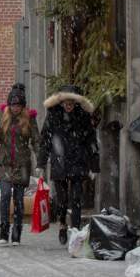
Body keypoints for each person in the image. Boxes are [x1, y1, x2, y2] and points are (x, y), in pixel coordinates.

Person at [37, 84, 98, 245]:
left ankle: (75, 231)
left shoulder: (83, 117)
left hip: (78, 160)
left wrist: (94, 165)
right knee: (62, 200)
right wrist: (41, 163)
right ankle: (63, 224)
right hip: (60, 162)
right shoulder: (53, 115)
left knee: (77, 198)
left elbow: (91, 141)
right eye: (66, 102)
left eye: (72, 102)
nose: (68, 105)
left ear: (76, 103)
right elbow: (45, 140)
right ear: (61, 102)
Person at [0, 83, 38, 246]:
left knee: (18, 199)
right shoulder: (1, 115)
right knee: (5, 195)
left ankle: (16, 233)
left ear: (23, 106)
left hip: (22, 164)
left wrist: (41, 159)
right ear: (9, 105)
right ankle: (3, 231)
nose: (15, 108)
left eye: (18, 105)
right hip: (4, 163)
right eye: (13, 105)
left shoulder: (29, 119)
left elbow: (36, 140)